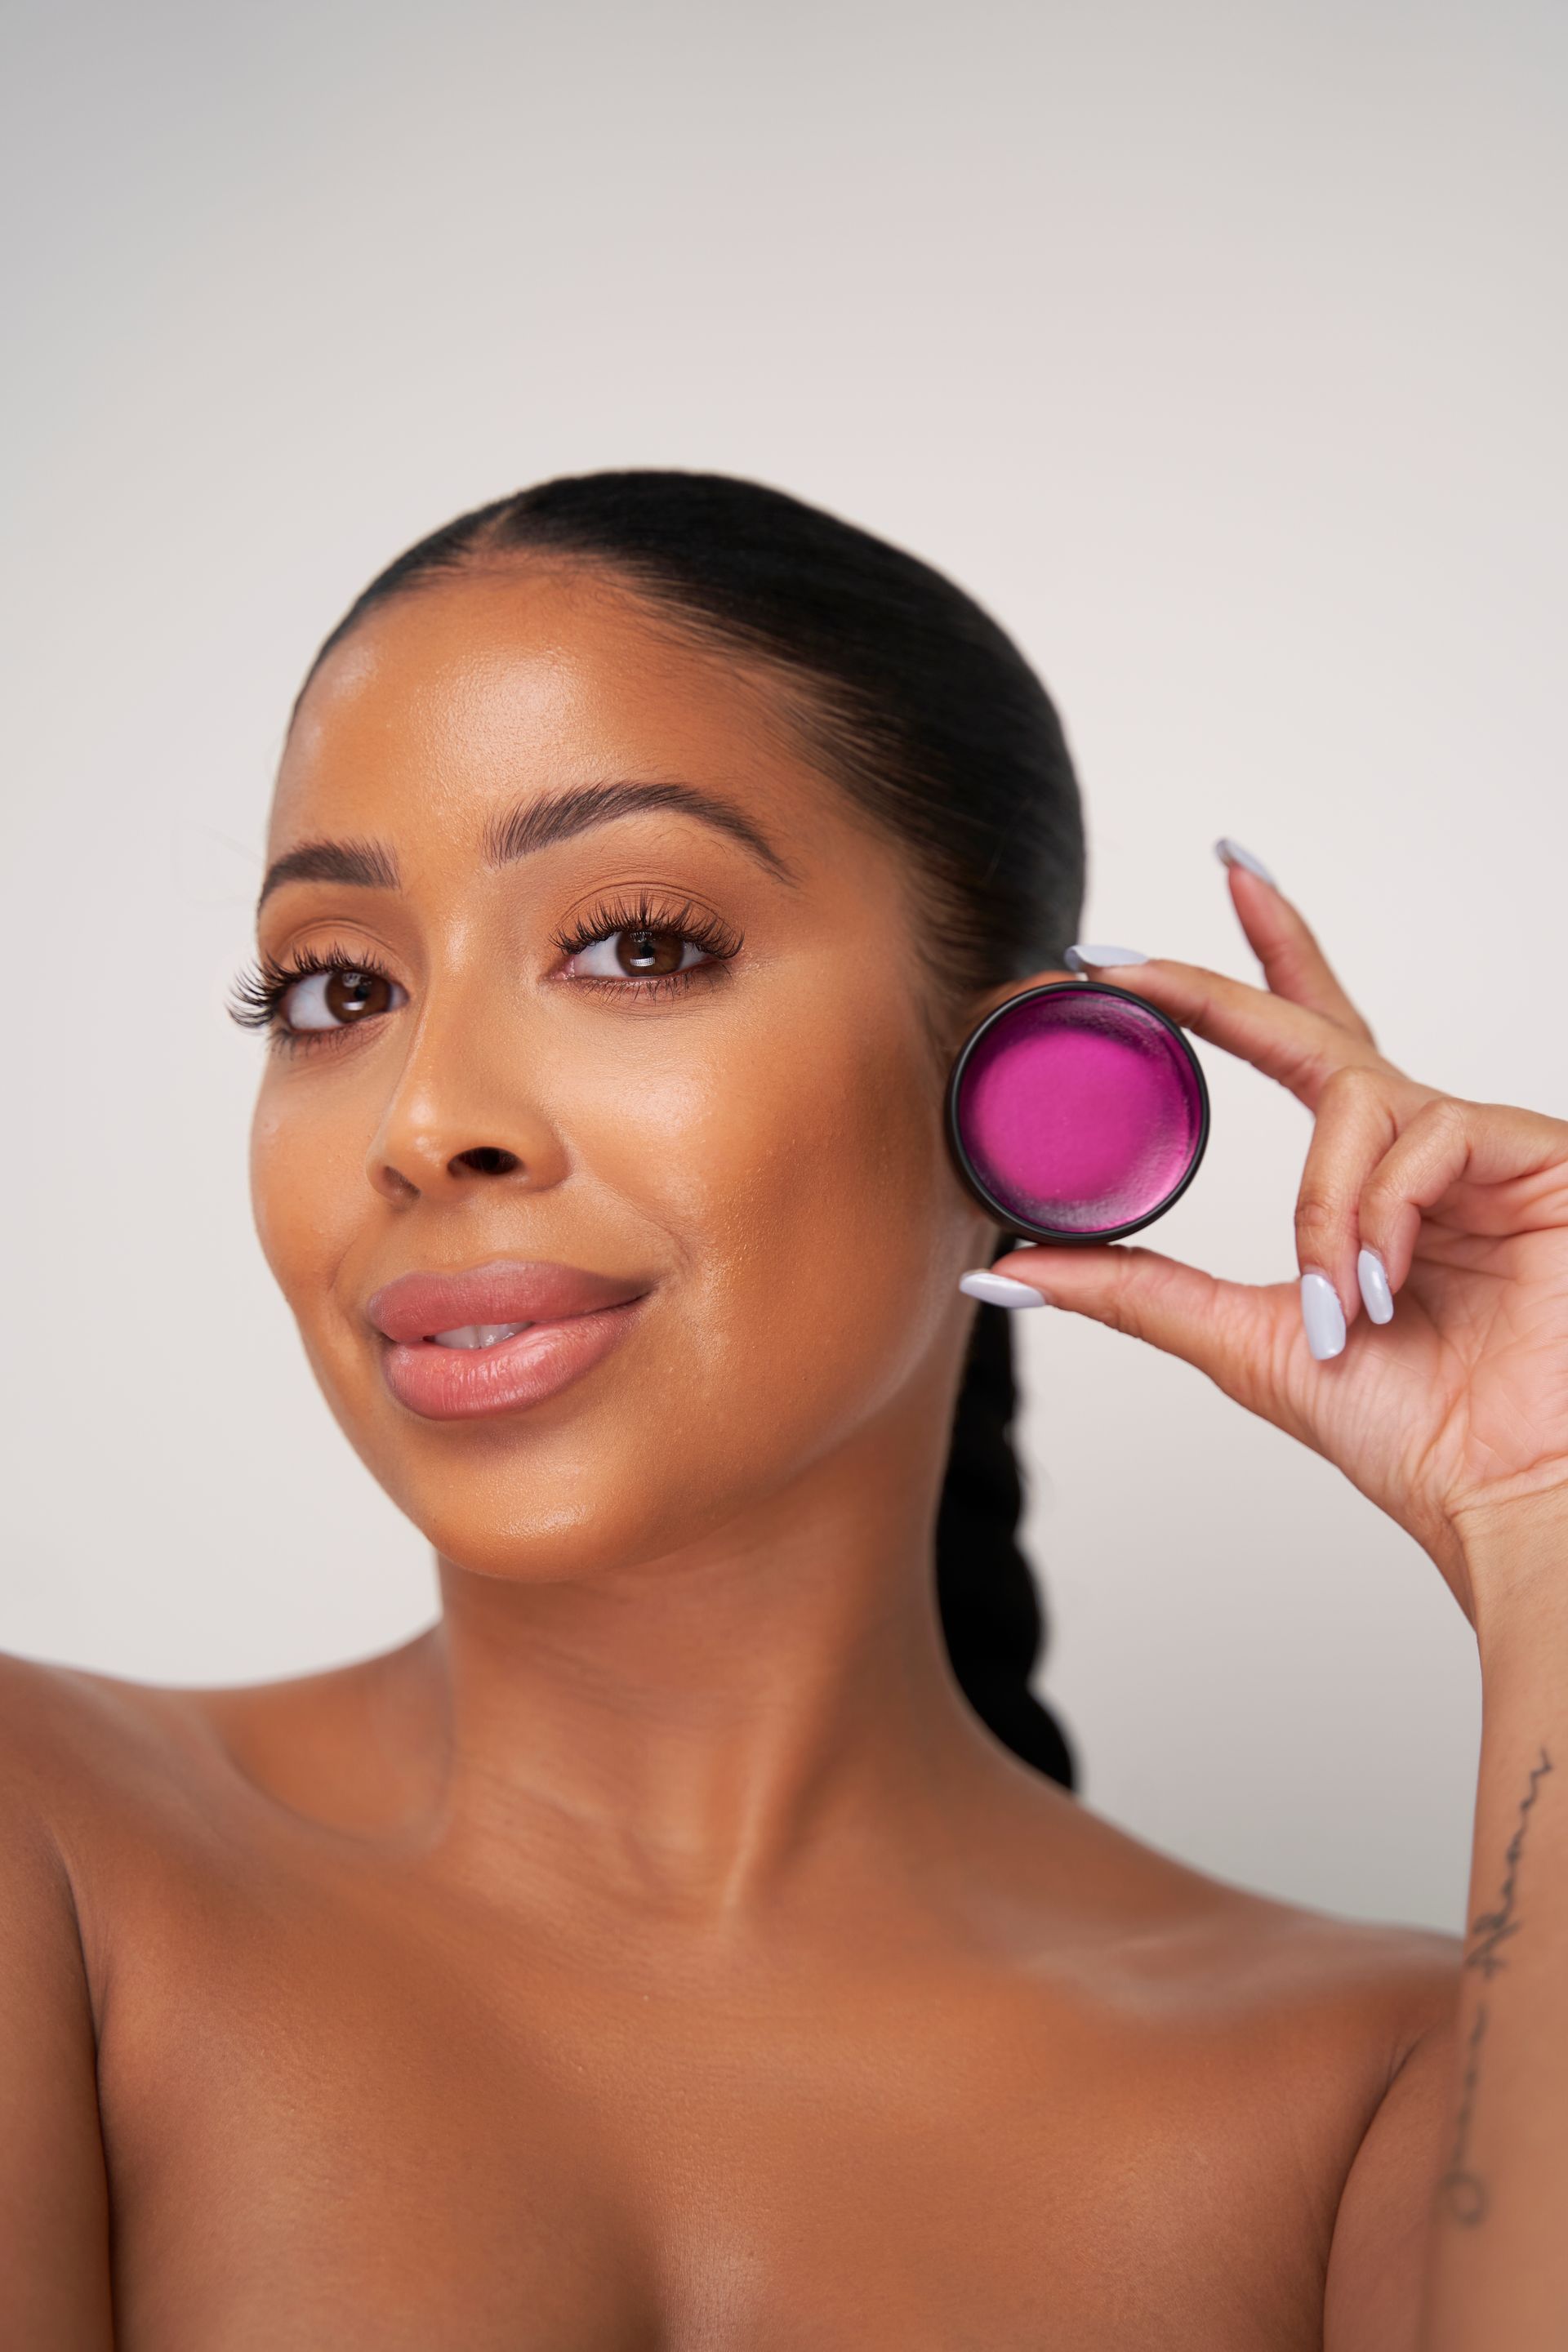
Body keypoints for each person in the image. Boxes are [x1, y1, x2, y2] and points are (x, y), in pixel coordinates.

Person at [4, 470, 1565, 2350]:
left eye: (638, 944)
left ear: (1028, 1096)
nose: (425, 1123)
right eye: (336, 986)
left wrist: (1545, 1505)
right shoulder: (55, 1854)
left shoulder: (1381, 2097)